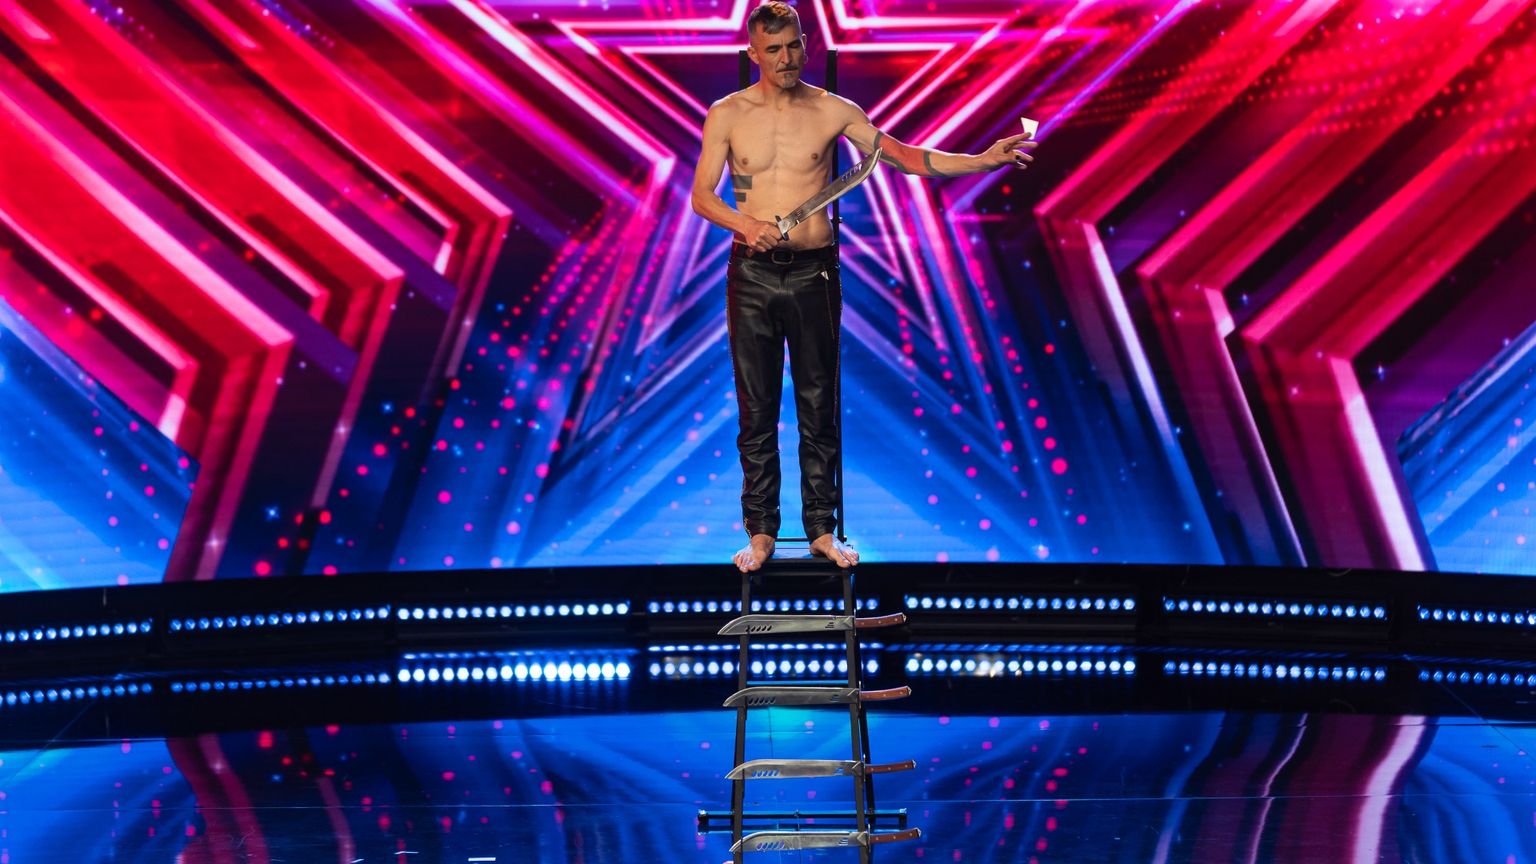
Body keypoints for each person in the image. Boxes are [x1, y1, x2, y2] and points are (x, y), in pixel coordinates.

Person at [691, 1, 1037, 574]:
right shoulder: (726, 114)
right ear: (753, 53)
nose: (786, 58)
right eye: (773, 50)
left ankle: (822, 529)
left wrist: (980, 162)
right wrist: (744, 223)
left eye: (794, 45)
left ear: (806, 44)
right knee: (757, 409)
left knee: (818, 405)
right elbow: (702, 196)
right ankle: (761, 532)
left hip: (815, 273)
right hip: (751, 275)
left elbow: (901, 157)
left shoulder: (834, 110)